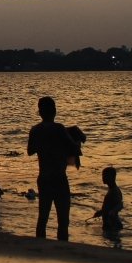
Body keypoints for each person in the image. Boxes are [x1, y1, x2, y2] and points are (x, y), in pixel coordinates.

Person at [27, 96, 79, 240]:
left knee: (43, 217)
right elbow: (74, 148)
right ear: (54, 111)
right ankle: (62, 248)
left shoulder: (35, 130)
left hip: (44, 177)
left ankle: (39, 247)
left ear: (40, 112)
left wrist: (44, 144)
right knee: (63, 220)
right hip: (58, 178)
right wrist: (77, 138)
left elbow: (30, 151)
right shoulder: (59, 129)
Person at [93, 166, 124, 232]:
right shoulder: (112, 189)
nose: (103, 178)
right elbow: (109, 207)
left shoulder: (114, 191)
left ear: (112, 177)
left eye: (105, 175)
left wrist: (113, 211)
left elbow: (120, 204)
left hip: (113, 225)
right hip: (109, 224)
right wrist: (100, 212)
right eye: (102, 175)